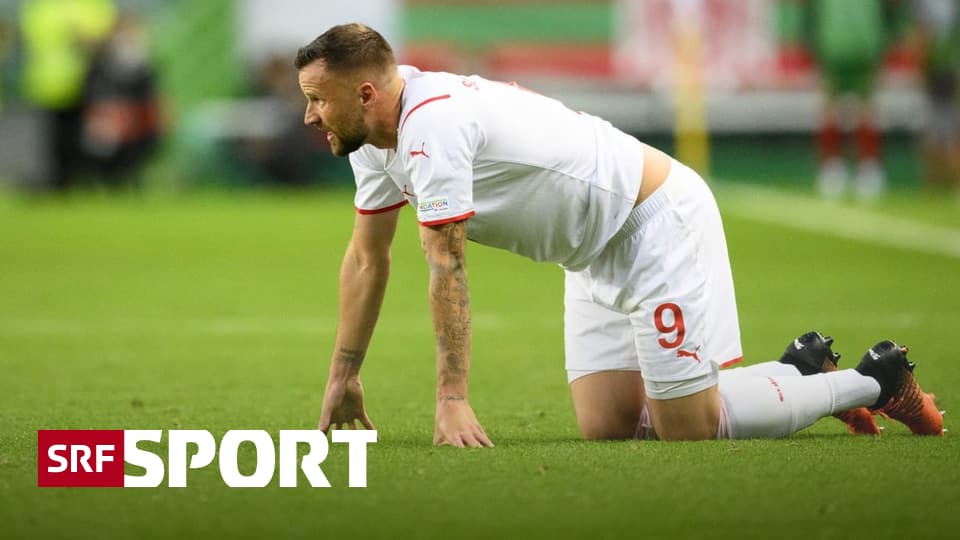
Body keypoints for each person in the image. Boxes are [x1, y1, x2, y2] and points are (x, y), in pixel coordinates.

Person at [296, 24, 943, 447]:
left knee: (688, 429)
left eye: (318, 99)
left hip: (654, 222)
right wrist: (343, 376)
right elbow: (366, 259)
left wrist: (452, 399)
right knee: (611, 426)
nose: (308, 115)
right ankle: (796, 370)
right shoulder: (372, 138)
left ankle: (873, 380)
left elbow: (447, 264)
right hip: (590, 252)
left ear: (367, 92)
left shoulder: (430, 126)